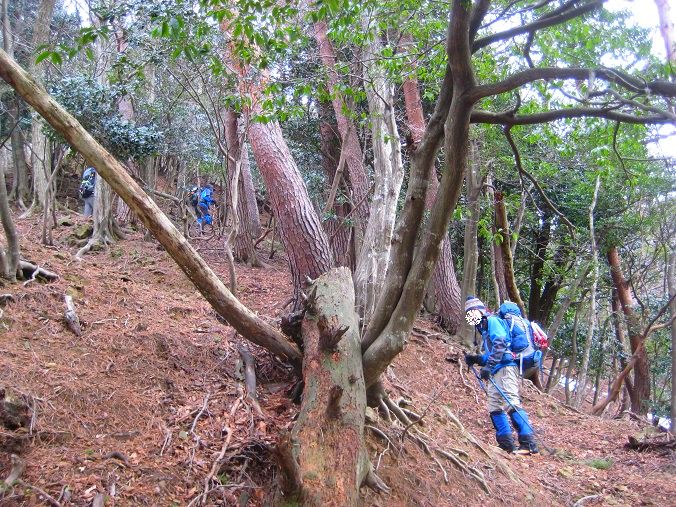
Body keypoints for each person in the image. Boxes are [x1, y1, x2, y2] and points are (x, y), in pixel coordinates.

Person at [464, 296, 539, 455]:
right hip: (497, 370)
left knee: (511, 403)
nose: (472, 315)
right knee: (494, 407)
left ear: (481, 311)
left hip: (506, 369)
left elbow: (501, 344)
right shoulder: (485, 329)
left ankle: (528, 444)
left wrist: (489, 366)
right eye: (469, 313)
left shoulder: (492, 321)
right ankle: (506, 445)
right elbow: (492, 353)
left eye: (473, 312)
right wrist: (477, 359)